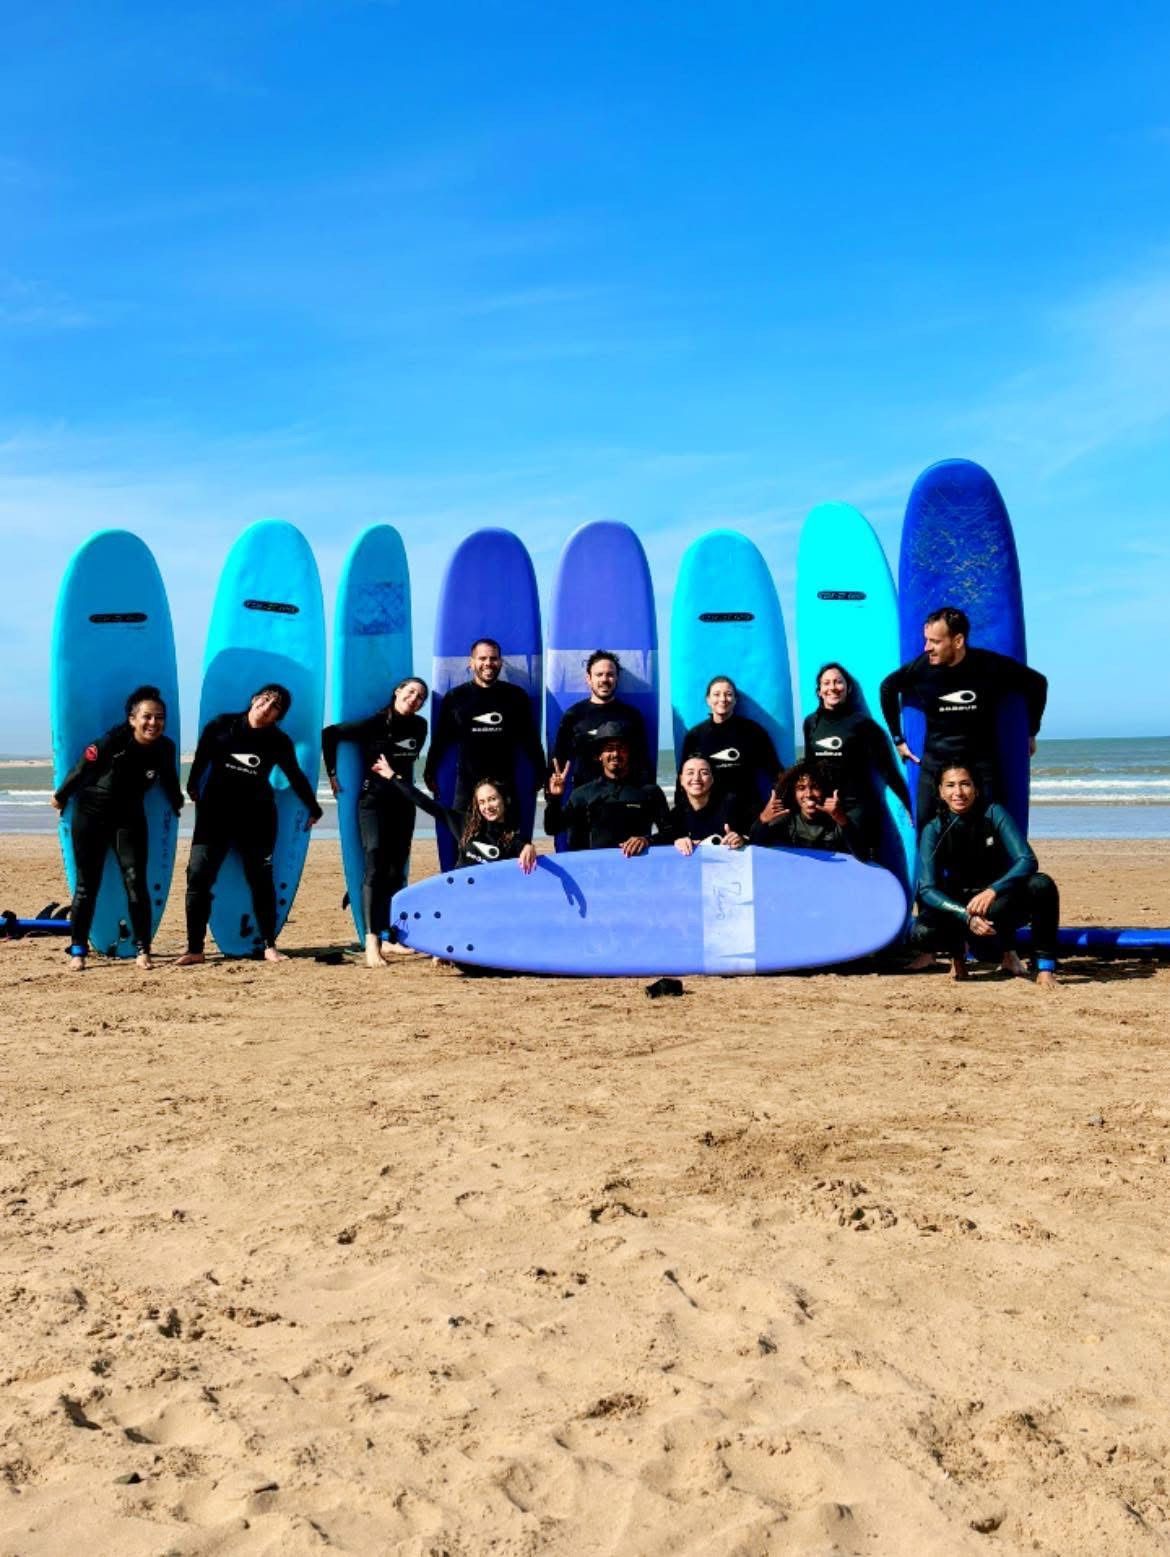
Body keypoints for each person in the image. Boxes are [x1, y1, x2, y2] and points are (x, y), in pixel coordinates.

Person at [178, 683, 323, 966]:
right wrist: (192, 784)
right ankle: (195, 948)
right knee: (198, 877)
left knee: (260, 881)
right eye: (266, 699)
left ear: (278, 716)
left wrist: (313, 806)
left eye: (276, 707)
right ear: (254, 699)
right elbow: (202, 757)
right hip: (214, 816)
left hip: (256, 818)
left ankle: (269, 945)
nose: (268, 707)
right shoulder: (221, 725)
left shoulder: (278, 741)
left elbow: (294, 774)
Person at [52, 684, 183, 972]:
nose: (154, 723)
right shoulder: (112, 741)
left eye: (159, 717)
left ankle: (143, 949)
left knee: (136, 882)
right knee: (88, 885)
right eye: (147, 716)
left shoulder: (166, 747)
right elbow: (81, 769)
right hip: (91, 814)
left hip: (130, 816)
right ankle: (78, 950)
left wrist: (178, 802)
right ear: (133, 719)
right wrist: (61, 795)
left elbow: (169, 779)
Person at [879, 606, 1048, 828]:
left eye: (935, 641)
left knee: (991, 830)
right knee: (925, 828)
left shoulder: (989, 666)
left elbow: (1038, 683)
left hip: (980, 762)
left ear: (957, 641)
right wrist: (897, 740)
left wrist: (1031, 732)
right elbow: (887, 688)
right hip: (936, 760)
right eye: (926, 640)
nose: (927, 648)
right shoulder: (922, 668)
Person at [909, 763, 1058, 987]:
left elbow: (1027, 860)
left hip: (996, 906)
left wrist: (993, 890)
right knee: (922, 932)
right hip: (959, 911)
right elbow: (927, 889)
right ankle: (958, 958)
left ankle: (1045, 968)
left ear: (976, 789)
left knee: (1042, 884)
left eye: (965, 784)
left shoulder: (993, 813)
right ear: (940, 791)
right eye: (950, 785)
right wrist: (965, 916)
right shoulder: (934, 828)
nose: (958, 792)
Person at [322, 677, 429, 967]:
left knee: (396, 871)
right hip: (374, 803)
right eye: (411, 692)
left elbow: (408, 765)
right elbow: (329, 734)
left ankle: (390, 937)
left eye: (421, 697)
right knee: (375, 865)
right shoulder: (374, 724)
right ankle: (372, 942)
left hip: (403, 804)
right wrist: (332, 773)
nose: (415, 699)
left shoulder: (420, 727)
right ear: (397, 691)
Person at [423, 638, 546, 812]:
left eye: (493, 658)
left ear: (500, 662)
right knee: (465, 838)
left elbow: (530, 740)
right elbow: (441, 740)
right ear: (471, 663)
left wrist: (541, 771)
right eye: (482, 658)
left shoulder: (516, 696)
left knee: (506, 838)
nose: (488, 663)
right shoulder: (455, 697)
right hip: (467, 784)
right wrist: (430, 770)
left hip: (504, 784)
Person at [802, 662, 910, 859]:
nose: (832, 687)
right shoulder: (810, 723)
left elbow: (886, 769)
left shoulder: (862, 724)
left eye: (838, 682)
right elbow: (809, 766)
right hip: (824, 805)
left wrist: (908, 804)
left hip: (857, 807)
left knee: (860, 862)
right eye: (826, 683)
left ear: (848, 688)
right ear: (819, 691)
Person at [373, 757, 537, 873]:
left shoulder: (514, 840)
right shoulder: (465, 824)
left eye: (492, 799)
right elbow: (425, 802)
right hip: (458, 896)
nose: (487, 806)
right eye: (482, 802)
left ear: (504, 799)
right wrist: (393, 777)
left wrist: (530, 847)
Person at [544, 727, 671, 855]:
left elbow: (671, 833)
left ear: (629, 753)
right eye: (609, 749)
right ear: (599, 756)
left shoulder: (649, 792)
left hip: (636, 868)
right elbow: (552, 828)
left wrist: (646, 840)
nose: (616, 754)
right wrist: (555, 798)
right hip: (596, 870)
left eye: (621, 748)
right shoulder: (583, 794)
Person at [679, 676, 782, 813]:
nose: (722, 699)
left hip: (748, 810)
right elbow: (683, 777)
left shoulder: (753, 731)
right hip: (710, 812)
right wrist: (683, 811)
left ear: (735, 700)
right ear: (708, 700)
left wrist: (779, 801)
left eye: (728, 694)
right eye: (716, 694)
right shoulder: (695, 736)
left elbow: (775, 771)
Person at [550, 650, 652, 787]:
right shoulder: (573, 715)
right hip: (585, 799)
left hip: (624, 798)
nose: (604, 679)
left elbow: (643, 761)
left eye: (610, 674)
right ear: (589, 678)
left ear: (617, 678)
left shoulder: (631, 716)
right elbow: (558, 760)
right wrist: (553, 797)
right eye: (599, 675)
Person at [750, 760, 861, 855]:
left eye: (815, 787)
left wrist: (843, 820)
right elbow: (756, 844)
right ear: (793, 793)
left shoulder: (838, 821)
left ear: (825, 790)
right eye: (801, 788)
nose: (808, 794)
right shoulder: (787, 819)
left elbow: (862, 854)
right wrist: (763, 819)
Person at [670, 755, 749, 855]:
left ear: (712, 779)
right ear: (681, 779)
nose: (696, 778)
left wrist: (741, 839)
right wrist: (676, 842)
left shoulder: (730, 805)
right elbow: (663, 839)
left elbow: (756, 835)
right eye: (690, 773)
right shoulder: (676, 815)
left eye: (704, 773)